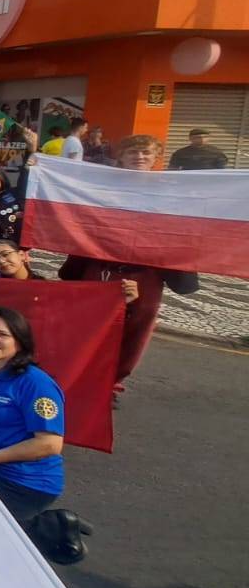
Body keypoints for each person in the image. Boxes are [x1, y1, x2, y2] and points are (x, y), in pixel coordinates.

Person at [60, 134, 199, 396]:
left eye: (146, 153)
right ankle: (81, 375)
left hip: (147, 274)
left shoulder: (171, 191)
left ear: (156, 158)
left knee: (136, 331)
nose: (140, 157)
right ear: (121, 157)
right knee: (89, 325)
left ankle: (111, 383)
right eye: (133, 152)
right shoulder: (103, 188)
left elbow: (181, 229)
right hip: (101, 268)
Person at [0, 308, 66, 530]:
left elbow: (50, 444)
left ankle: (48, 528)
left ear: (19, 341)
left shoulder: (35, 384)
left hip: (25, 482)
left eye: (2, 334)